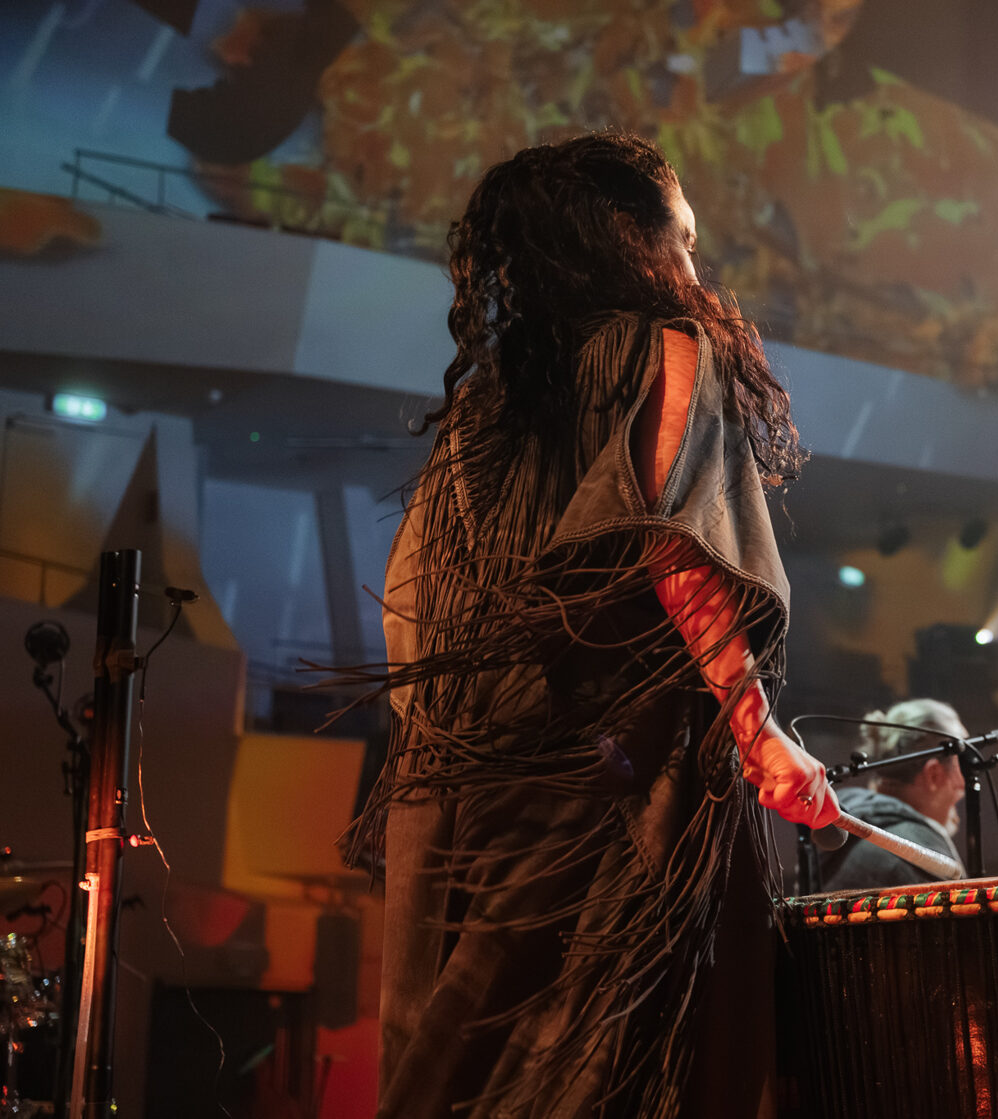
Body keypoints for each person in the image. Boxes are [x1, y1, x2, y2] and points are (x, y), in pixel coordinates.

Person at [345, 133, 839, 1119]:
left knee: (473, 1067)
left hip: (478, 794)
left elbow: (416, 601)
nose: (694, 266)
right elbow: (675, 545)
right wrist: (759, 735)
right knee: (611, 1066)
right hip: (615, 782)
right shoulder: (670, 348)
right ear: (628, 238)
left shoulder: (484, 411)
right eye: (683, 240)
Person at [819, 698, 968, 891]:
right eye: (962, 764)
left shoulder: (852, 825)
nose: (964, 783)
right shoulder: (919, 859)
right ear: (934, 775)